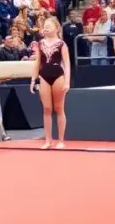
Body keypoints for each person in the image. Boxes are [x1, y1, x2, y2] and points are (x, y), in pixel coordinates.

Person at [30, 16, 70, 149]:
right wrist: (33, 79)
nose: (46, 28)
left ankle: (61, 140)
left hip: (58, 76)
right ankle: (48, 140)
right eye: (44, 26)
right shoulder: (40, 43)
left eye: (49, 25)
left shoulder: (61, 44)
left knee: (59, 108)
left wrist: (67, 82)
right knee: (47, 109)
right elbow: (37, 62)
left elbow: (67, 64)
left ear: (56, 28)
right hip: (44, 76)